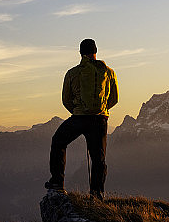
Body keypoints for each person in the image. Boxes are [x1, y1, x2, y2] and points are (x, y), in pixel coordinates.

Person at [45, 38, 118, 200]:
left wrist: (78, 110)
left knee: (58, 142)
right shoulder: (109, 72)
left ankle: (57, 183)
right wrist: (102, 110)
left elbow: (66, 99)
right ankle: (97, 194)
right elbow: (114, 98)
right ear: (96, 51)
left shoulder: (72, 73)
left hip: (79, 118)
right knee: (98, 158)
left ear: (80, 52)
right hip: (100, 119)